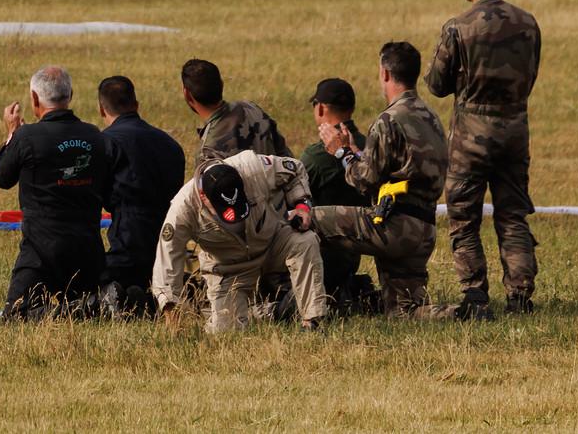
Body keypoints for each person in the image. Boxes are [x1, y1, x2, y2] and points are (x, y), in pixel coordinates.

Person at [428, 0, 541, 319]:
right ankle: (520, 295)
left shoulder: (458, 28)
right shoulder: (528, 23)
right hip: (514, 131)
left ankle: (475, 295)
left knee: (464, 217)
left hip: (470, 138)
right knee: (512, 216)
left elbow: (437, 85)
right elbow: (530, 77)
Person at [316, 41, 449, 318]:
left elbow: (364, 180)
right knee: (402, 312)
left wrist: (340, 152)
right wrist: (357, 153)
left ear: (385, 74)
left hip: (395, 226)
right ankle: (459, 313)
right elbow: (398, 168)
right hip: (424, 228)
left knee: (310, 220)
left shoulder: (389, 120)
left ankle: (314, 304)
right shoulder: (431, 117)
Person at [152, 152, 329, 333]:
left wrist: (301, 204)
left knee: (304, 240)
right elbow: (167, 261)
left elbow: (295, 169)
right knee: (225, 333)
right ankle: (267, 312)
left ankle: (312, 322)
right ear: (204, 198)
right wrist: (172, 316)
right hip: (229, 270)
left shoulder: (253, 167)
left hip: (271, 243)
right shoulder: (182, 209)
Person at [0, 65, 112, 319]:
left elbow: (1, 177)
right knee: (93, 305)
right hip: (87, 250)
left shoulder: (26, 137)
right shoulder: (94, 135)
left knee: (16, 314)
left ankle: (76, 310)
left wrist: (12, 134)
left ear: (35, 99)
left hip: (42, 251)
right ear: (71, 95)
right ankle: (86, 307)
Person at [95, 74, 186, 315]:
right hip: (169, 248)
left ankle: (132, 300)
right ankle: (147, 299)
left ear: (102, 109)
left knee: (82, 288)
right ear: (136, 105)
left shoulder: (106, 143)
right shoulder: (170, 144)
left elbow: (98, 194)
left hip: (126, 244)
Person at [301, 77, 371, 304]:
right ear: (351, 109)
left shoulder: (316, 157)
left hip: (320, 261)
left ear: (320, 108)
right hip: (354, 255)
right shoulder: (368, 147)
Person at [181, 58, 290, 169]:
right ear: (222, 85)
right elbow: (288, 160)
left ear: (187, 94)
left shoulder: (207, 154)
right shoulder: (252, 109)